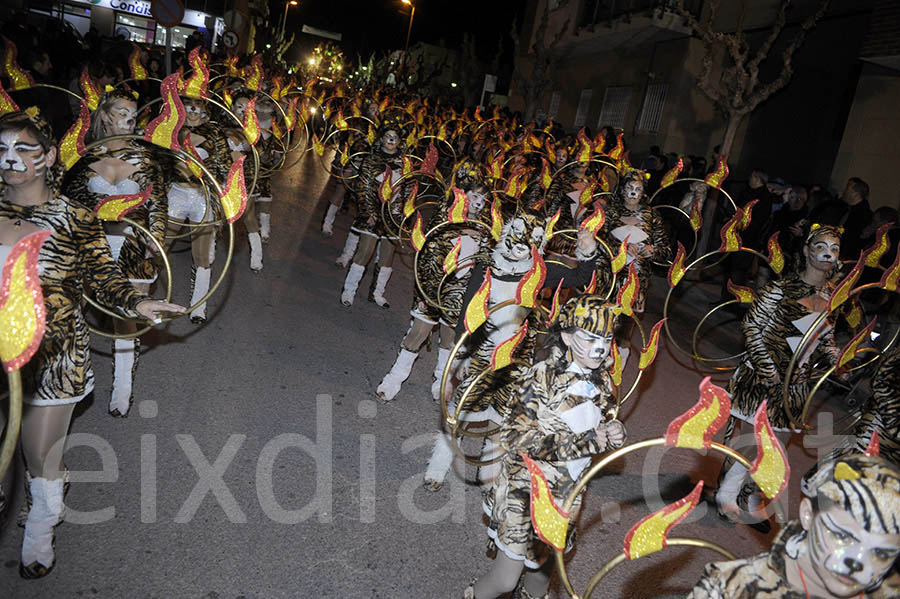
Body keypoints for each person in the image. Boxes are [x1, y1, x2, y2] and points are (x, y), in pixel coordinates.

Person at [0, 109, 183, 578]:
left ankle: (40, 529)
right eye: (1, 149)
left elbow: (102, 279)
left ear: (48, 156)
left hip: (54, 353)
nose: (11, 159)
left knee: (37, 451)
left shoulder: (74, 217)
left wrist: (137, 306)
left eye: (23, 148)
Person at [463, 296, 627, 599]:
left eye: (606, 337)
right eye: (589, 337)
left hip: (568, 495)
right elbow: (516, 438)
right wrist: (589, 441)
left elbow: (603, 420)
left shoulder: (603, 380)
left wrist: (615, 431)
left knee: (541, 579)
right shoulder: (541, 376)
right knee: (505, 581)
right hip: (527, 491)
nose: (601, 346)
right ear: (566, 336)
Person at [716, 225, 843, 525]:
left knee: (776, 446)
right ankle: (726, 494)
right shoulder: (780, 289)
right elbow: (751, 327)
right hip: (763, 379)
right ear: (807, 251)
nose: (828, 252)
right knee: (753, 440)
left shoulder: (831, 299)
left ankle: (750, 495)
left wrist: (837, 358)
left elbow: (824, 340)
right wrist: (766, 366)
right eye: (821, 246)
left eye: (835, 248)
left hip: (796, 386)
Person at [64, 85, 167, 417]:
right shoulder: (84, 157)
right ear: (104, 116)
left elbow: (158, 204)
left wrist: (158, 237)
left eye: (133, 114)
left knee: (128, 316)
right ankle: (70, 378)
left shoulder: (145, 156)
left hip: (133, 249)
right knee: (71, 312)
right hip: (89, 249)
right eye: (122, 113)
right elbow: (69, 207)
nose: (129, 119)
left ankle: (123, 387)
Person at [689, 454, 900, 599]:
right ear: (807, 514)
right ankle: (731, 489)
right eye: (842, 536)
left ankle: (749, 492)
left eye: (881, 553)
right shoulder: (730, 588)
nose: (858, 562)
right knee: (761, 430)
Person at [339, 117, 410, 308]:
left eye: (394, 137)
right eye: (387, 136)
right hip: (372, 213)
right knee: (364, 252)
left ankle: (377, 293)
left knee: (387, 258)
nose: (391, 140)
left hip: (392, 216)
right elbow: (362, 188)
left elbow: (408, 191)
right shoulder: (370, 160)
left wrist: (401, 213)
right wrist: (370, 212)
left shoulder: (405, 164)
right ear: (381, 139)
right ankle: (349, 291)